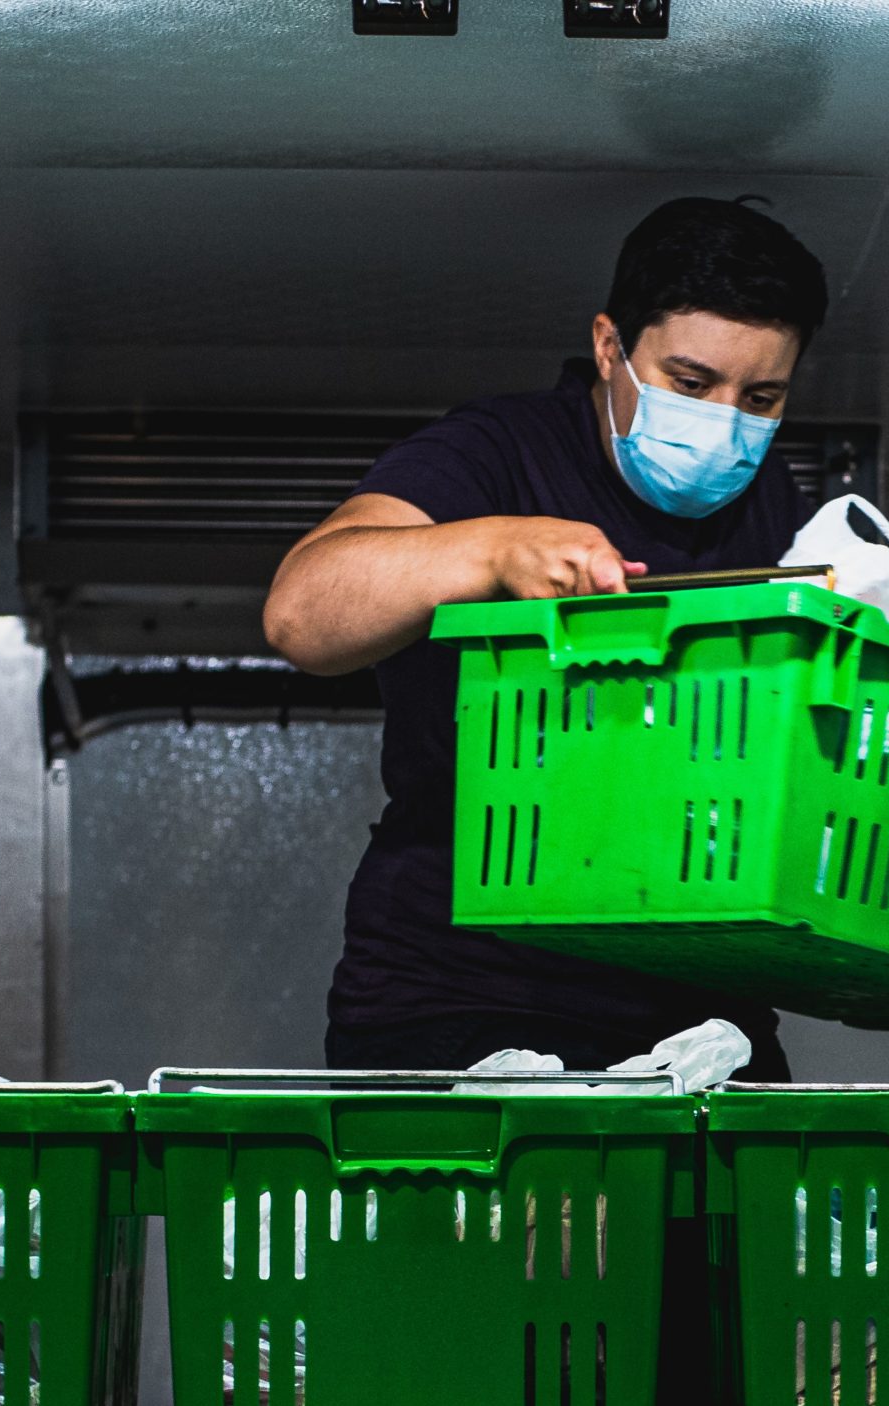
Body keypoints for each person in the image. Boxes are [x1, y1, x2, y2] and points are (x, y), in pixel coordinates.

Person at [264, 196, 826, 1074]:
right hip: (463, 996)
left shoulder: (777, 509)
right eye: (689, 382)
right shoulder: (495, 453)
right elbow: (303, 611)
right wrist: (490, 548)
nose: (725, 420)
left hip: (699, 1013)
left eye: (760, 397)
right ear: (611, 348)